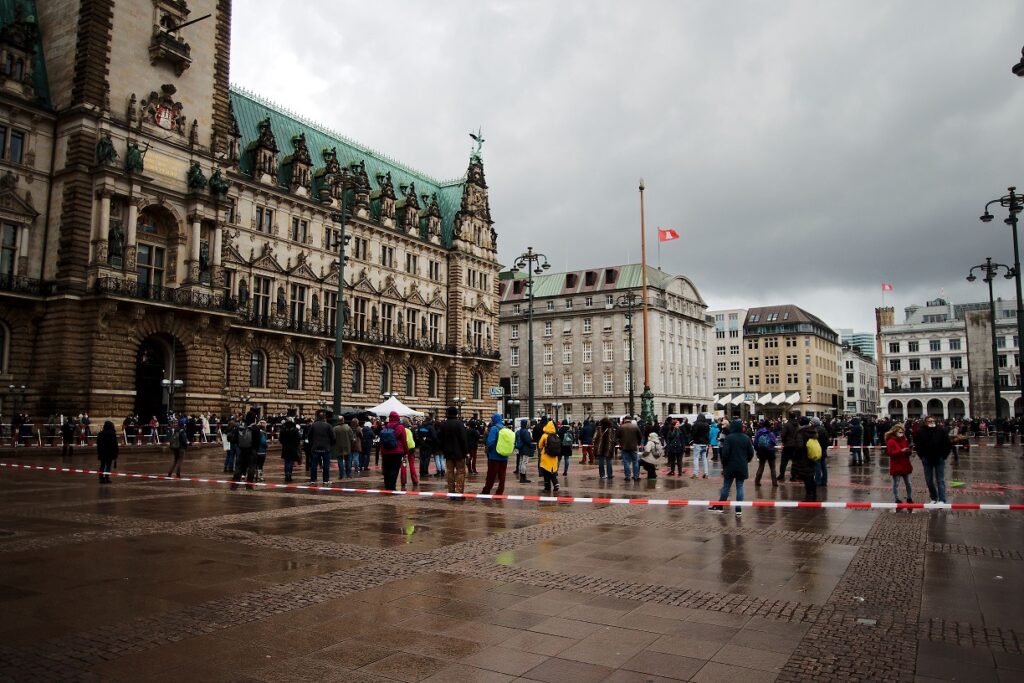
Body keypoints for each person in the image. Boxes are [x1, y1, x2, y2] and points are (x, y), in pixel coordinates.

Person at [711, 419, 754, 514]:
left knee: (726, 487)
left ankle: (720, 506)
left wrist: (725, 464)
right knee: (740, 486)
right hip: (741, 465)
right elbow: (751, 453)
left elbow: (725, 453)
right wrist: (746, 461)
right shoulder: (746, 438)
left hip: (729, 466)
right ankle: (738, 509)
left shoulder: (729, 438)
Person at [916, 416, 952, 504]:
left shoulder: (941, 430)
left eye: (932, 421)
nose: (931, 422)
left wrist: (944, 456)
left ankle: (942, 499)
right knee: (929, 480)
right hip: (927, 459)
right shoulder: (921, 432)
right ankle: (934, 497)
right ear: (925, 422)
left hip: (939, 458)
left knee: (940, 480)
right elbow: (918, 445)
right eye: (929, 421)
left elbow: (947, 444)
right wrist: (922, 456)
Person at [437, 406, 469, 493]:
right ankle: (459, 492)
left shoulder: (444, 424)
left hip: (448, 453)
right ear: (456, 414)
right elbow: (463, 439)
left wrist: (443, 449)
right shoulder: (459, 424)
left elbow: (440, 438)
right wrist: (466, 452)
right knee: (460, 472)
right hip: (459, 453)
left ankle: (451, 492)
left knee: (450, 473)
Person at [379, 410, 409, 491]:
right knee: (394, 470)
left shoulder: (385, 427)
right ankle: (392, 487)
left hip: (385, 452)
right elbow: (404, 441)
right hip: (397, 452)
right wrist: (406, 452)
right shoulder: (400, 427)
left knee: (386, 470)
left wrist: (382, 452)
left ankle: (387, 486)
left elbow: (381, 441)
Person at [481, 413, 509, 495]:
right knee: (502, 475)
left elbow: (490, 442)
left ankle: (486, 490)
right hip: (504, 456)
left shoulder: (494, 428)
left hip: (494, 456)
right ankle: (500, 491)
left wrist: (489, 451)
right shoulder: (505, 428)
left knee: (491, 474)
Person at [791, 417, 818, 502]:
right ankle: (813, 492)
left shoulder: (800, 431)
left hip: (803, 457)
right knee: (811, 475)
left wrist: (795, 455)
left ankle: (809, 493)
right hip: (812, 455)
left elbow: (799, 446)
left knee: (806, 477)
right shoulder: (813, 430)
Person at [887, 424, 914, 505]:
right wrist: (901, 451)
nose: (901, 433)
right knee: (896, 483)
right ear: (895, 432)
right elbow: (890, 453)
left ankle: (909, 497)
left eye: (902, 432)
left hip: (905, 464)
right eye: (899, 432)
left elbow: (906, 451)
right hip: (896, 465)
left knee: (909, 483)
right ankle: (897, 498)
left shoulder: (904, 440)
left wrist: (909, 451)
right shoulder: (891, 441)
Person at [306, 411, 335, 485]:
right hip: (326, 448)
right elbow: (333, 437)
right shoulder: (328, 426)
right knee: (326, 465)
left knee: (314, 464)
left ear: (318, 417)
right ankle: (325, 480)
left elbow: (309, 436)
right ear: (324, 418)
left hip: (315, 447)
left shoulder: (313, 425)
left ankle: (313, 479)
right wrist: (330, 445)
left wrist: (312, 444)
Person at [617, 415, 642, 481]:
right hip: (633, 446)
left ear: (625, 420)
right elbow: (640, 436)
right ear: (630, 420)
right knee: (635, 461)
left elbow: (617, 436)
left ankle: (627, 476)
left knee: (626, 462)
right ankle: (636, 476)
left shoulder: (621, 427)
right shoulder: (635, 426)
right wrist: (638, 443)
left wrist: (620, 444)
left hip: (624, 447)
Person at [537, 420, 560, 492]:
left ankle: (547, 487)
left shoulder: (544, 436)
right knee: (553, 472)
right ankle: (556, 484)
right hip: (554, 457)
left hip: (546, 456)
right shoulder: (556, 435)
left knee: (546, 473)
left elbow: (540, 445)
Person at [753, 421, 778, 486]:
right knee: (772, 468)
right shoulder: (771, 433)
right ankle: (774, 483)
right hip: (770, 451)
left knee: (761, 466)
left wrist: (757, 450)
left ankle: (757, 481)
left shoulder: (759, 432)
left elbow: (755, 442)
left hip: (761, 451)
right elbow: (774, 442)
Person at [779, 411, 800, 482]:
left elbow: (783, 435)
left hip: (788, 445)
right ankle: (794, 476)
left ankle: (781, 475)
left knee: (784, 461)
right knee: (795, 461)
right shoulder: (797, 425)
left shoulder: (787, 425)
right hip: (795, 445)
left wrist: (784, 441)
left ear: (789, 416)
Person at [278, 418, 301, 482]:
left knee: (286, 462)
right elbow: (298, 439)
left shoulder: (283, 430)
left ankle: (286, 475)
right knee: (291, 462)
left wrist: (284, 443)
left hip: (285, 448)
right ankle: (289, 475)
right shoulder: (295, 430)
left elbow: (280, 439)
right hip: (293, 448)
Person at [332, 414, 354, 479]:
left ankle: (341, 475)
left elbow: (333, 438)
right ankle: (348, 475)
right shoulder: (348, 428)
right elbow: (352, 438)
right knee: (348, 461)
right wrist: (352, 445)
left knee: (340, 461)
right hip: (347, 446)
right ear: (343, 420)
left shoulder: (335, 429)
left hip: (338, 447)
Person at [690, 414, 711, 479]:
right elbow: (708, 434)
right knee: (704, 458)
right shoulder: (707, 424)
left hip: (697, 443)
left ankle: (696, 474)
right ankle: (706, 473)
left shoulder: (696, 424)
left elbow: (693, 433)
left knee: (696, 458)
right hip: (705, 443)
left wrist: (693, 438)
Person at [811, 417, 829, 487]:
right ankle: (824, 480)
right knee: (824, 466)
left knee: (817, 466)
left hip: (817, 451)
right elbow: (827, 441)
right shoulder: (824, 429)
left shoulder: (815, 430)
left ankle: (817, 481)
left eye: (812, 422)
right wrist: (824, 448)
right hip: (823, 451)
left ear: (814, 423)